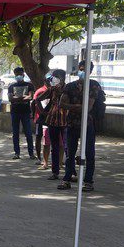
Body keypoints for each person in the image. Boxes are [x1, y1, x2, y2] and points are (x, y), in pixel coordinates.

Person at [58, 60, 104, 192]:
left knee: (89, 153)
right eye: (82, 69)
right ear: (79, 69)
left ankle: (88, 181)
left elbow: (88, 107)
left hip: (88, 124)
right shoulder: (70, 86)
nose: (84, 72)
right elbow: (62, 103)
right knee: (69, 153)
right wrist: (76, 107)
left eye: (87, 70)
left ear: (91, 71)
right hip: (72, 123)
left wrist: (72, 107)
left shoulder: (94, 85)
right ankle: (67, 178)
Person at [42, 69, 69, 182]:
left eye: (54, 77)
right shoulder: (52, 89)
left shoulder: (68, 89)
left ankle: (70, 171)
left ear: (61, 78)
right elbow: (37, 99)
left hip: (65, 120)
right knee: (56, 146)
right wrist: (44, 111)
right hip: (54, 120)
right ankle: (55, 171)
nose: (53, 79)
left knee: (67, 147)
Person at [6, 67, 35, 159]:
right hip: (15, 112)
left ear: (23, 74)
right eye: (16, 74)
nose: (18, 76)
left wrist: (17, 98)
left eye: (20, 74)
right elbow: (10, 99)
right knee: (15, 133)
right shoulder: (11, 86)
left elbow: (31, 97)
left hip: (26, 112)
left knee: (28, 133)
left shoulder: (29, 85)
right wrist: (23, 98)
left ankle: (31, 153)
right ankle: (17, 153)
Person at [32, 73, 55, 169]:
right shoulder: (40, 91)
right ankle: (39, 158)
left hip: (51, 118)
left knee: (50, 139)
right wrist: (42, 113)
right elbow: (35, 103)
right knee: (39, 137)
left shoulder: (53, 90)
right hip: (41, 118)